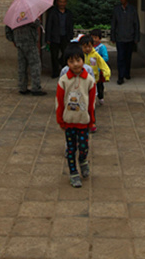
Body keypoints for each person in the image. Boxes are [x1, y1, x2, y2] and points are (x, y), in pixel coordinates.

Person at [55, 42, 96, 188]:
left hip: (83, 120)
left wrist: (92, 120)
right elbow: (59, 101)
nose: (75, 64)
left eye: (78, 60)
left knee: (83, 146)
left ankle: (83, 160)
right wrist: (60, 119)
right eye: (71, 61)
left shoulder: (89, 80)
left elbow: (92, 102)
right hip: (69, 120)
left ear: (83, 60)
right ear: (67, 63)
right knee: (71, 149)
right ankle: (73, 173)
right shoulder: (64, 80)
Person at [5, 19, 46, 95]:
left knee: (22, 66)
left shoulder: (14, 16)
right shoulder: (29, 15)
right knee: (35, 65)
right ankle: (36, 88)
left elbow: (7, 31)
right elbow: (36, 24)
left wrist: (14, 40)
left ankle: (22, 87)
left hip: (19, 43)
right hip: (30, 42)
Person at [110, 0, 140, 85]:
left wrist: (136, 37)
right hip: (120, 37)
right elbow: (113, 24)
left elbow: (136, 24)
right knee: (120, 57)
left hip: (130, 37)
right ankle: (120, 76)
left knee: (128, 57)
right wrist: (113, 37)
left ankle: (127, 73)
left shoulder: (132, 9)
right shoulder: (116, 10)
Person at [44, 0, 74, 77]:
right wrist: (47, 38)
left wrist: (70, 36)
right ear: (57, 2)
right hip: (54, 37)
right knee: (54, 55)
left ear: (66, 2)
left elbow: (71, 25)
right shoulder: (52, 12)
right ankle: (55, 72)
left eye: (64, 2)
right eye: (60, 1)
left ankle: (64, 70)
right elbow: (48, 25)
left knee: (66, 54)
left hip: (65, 36)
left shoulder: (69, 13)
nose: (62, 3)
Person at [90, 29, 109, 105]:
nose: (94, 40)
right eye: (92, 37)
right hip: (90, 69)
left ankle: (100, 96)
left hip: (98, 70)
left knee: (99, 85)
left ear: (100, 38)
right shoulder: (89, 46)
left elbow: (106, 57)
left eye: (96, 37)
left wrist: (98, 60)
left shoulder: (102, 47)